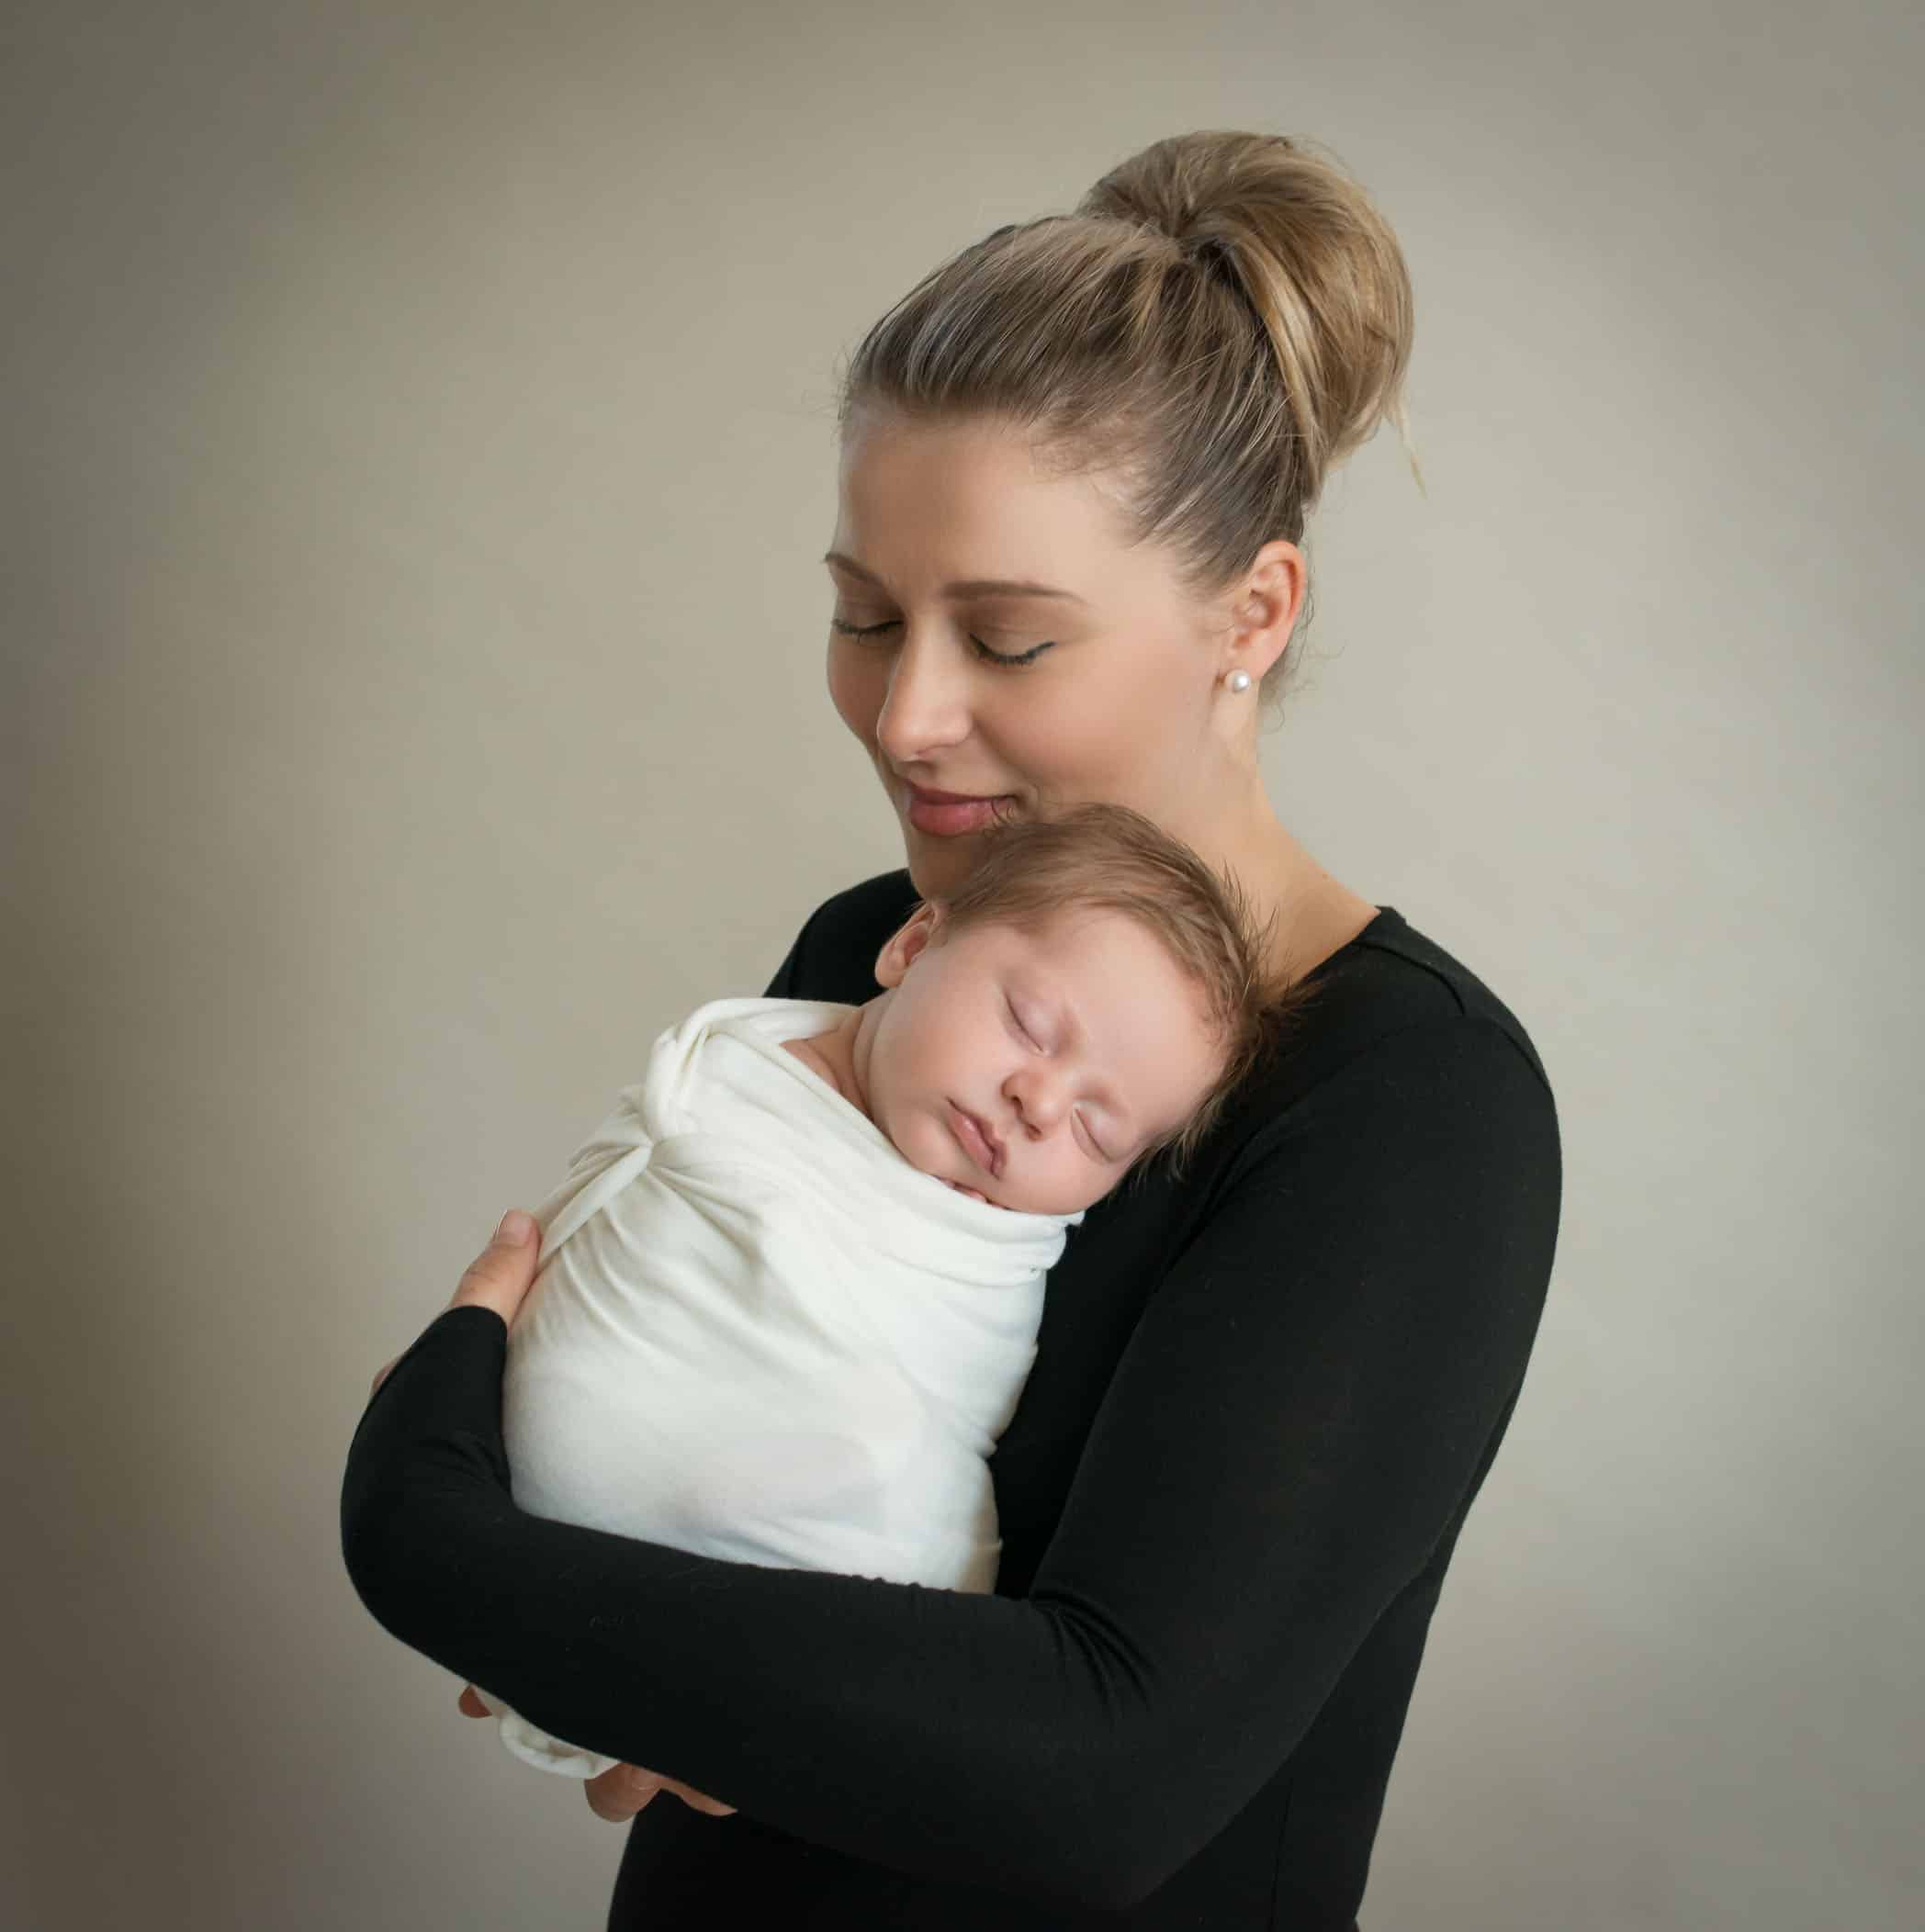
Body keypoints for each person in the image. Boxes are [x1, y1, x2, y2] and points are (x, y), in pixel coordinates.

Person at [341, 129, 1563, 1928]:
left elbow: (1094, 1775)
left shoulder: (1406, 1103)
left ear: (1251, 611)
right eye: (862, 614)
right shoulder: (879, 946)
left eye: (1004, 638)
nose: (905, 713)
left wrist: (436, 1533)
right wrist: (591, 1594)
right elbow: (673, 1485)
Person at [456, 804, 1299, 1780]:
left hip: (778, 1659)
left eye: (1097, 1132)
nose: (1039, 1102)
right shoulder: (737, 1057)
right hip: (496, 1554)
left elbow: (922, 1441)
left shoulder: (983, 1249)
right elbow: (595, 1206)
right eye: (1028, 1024)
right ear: (911, 941)